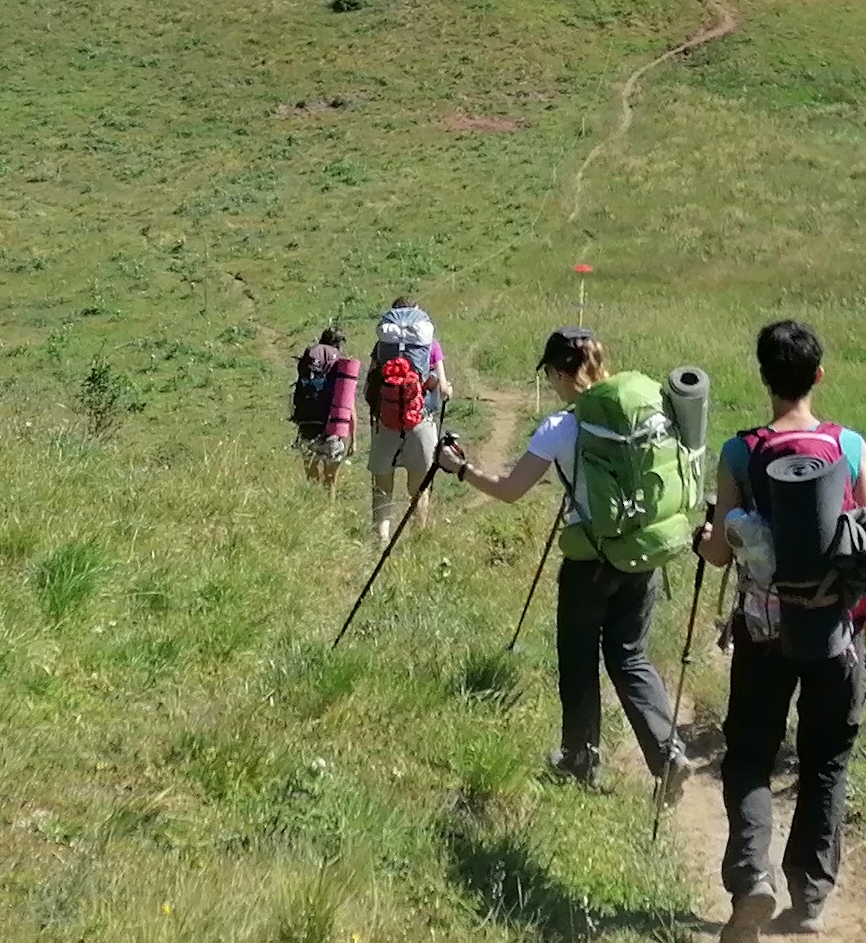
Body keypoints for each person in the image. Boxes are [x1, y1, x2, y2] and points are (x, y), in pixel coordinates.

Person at [449, 328, 693, 797]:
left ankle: (580, 760)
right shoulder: (646, 411)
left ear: (562, 372)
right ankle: (668, 754)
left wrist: (460, 468)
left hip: (590, 563)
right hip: (643, 553)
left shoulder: (561, 428)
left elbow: (509, 490)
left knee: (579, 660)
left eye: (552, 375)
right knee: (630, 656)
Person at [703, 316, 866, 943]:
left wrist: (706, 537)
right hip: (836, 632)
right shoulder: (850, 447)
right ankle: (811, 895)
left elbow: (721, 555)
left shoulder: (738, 453)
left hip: (762, 631)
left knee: (750, 754)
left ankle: (753, 878)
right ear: (817, 376)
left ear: (764, 379)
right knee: (826, 756)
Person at [359, 310, 444, 550]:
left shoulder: (381, 349)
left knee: (382, 486)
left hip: (385, 424)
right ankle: (419, 541)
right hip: (420, 422)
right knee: (418, 489)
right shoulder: (429, 346)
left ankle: (381, 540)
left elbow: (369, 389)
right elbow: (441, 386)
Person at [291, 324, 360, 494]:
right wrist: (353, 440)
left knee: (311, 479)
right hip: (333, 429)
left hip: (307, 427)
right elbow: (349, 406)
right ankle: (328, 512)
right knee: (331, 482)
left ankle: (312, 510)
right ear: (339, 344)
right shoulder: (338, 365)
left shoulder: (311, 360)